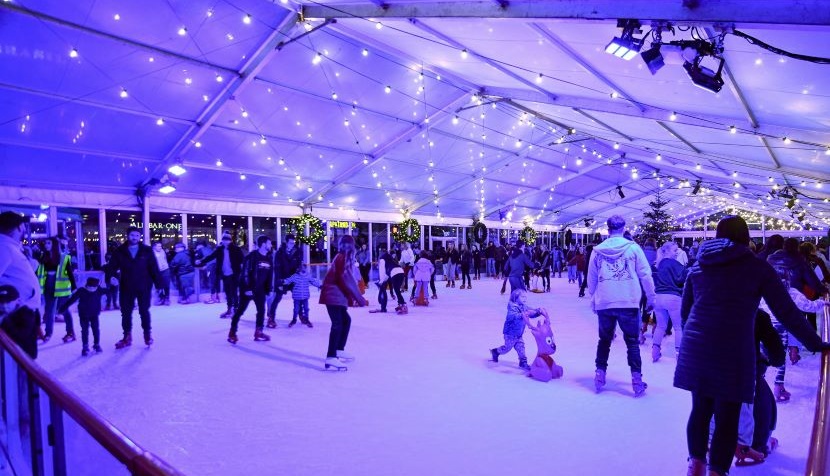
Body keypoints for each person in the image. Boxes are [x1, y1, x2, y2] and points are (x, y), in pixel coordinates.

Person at [674, 216, 829, 476]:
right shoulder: (756, 268)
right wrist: (815, 343)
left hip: (697, 347)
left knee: (700, 409)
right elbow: (787, 312)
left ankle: (696, 466)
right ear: (746, 238)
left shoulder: (699, 266)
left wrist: (694, 340)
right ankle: (715, 471)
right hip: (733, 351)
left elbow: (686, 312)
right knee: (727, 416)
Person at [586, 215, 656, 397]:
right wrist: (651, 296)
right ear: (623, 228)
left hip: (606, 301)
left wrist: (593, 296)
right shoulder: (633, 248)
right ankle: (637, 380)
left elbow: (591, 278)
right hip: (628, 300)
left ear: (608, 229)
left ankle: (599, 375)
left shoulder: (597, 251)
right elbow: (646, 274)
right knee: (632, 342)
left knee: (604, 340)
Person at [319, 235, 367, 370]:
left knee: (345, 321)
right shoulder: (342, 257)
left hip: (336, 296)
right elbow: (346, 278)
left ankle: (339, 349)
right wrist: (359, 297)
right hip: (332, 295)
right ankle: (331, 357)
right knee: (338, 324)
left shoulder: (343, 257)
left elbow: (348, 278)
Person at [108, 227, 161, 348]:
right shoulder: (120, 251)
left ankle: (147, 335)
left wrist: (159, 284)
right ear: (127, 235)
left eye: (137, 235)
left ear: (140, 237)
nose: (135, 238)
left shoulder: (146, 250)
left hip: (144, 286)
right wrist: (110, 276)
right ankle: (127, 336)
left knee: (144, 311)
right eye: (132, 235)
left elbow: (154, 268)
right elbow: (111, 267)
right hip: (126, 286)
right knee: (126, 313)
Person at [227, 235, 273, 344]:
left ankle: (259, 332)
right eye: (269, 243)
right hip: (248, 289)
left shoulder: (268, 258)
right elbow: (245, 274)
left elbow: (269, 275)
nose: (271, 245)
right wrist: (247, 288)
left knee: (261, 311)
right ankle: (232, 333)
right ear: (263, 244)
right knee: (240, 311)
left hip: (260, 290)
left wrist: (268, 289)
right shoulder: (251, 257)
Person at [36, 237, 77, 343]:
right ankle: (48, 333)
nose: (46, 245)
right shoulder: (42, 256)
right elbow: (38, 272)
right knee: (49, 311)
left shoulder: (64, 257)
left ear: (54, 245)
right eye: (45, 243)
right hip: (48, 287)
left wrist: (74, 287)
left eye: (49, 243)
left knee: (64, 310)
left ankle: (70, 332)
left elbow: (70, 273)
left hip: (62, 288)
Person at [651, 241, 687, 363]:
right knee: (678, 328)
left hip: (659, 298)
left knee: (660, 326)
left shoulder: (659, 264)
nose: (677, 253)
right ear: (667, 251)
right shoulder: (674, 264)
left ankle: (655, 352)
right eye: (674, 250)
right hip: (673, 298)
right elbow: (682, 278)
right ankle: (679, 355)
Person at [197, 233, 243, 319]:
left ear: (230, 240)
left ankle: (236, 310)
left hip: (234, 274)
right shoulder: (219, 249)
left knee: (234, 293)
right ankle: (229, 309)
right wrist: (201, 261)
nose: (226, 242)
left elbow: (242, 260)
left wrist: (243, 271)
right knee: (228, 293)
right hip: (225, 274)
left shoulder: (236, 249)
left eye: (228, 240)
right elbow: (211, 256)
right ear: (222, 240)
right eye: (224, 240)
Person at [489, 288, 536, 371]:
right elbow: (512, 316)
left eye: (525, 297)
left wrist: (538, 311)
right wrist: (522, 315)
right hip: (510, 333)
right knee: (507, 348)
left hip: (518, 333)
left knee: (521, 347)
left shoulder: (524, 306)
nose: (525, 299)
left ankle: (523, 362)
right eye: (522, 297)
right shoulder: (512, 307)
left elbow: (531, 312)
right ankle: (495, 352)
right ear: (515, 298)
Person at [58, 277, 106, 356]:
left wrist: (62, 308)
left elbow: (71, 300)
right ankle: (94, 345)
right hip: (90, 314)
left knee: (86, 330)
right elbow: (110, 291)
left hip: (86, 314)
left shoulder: (82, 290)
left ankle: (87, 347)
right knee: (93, 330)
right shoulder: (97, 290)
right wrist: (114, 285)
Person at [269, 234, 302, 328]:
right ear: (286, 242)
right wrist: (279, 281)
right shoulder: (280, 253)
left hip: (293, 279)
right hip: (282, 279)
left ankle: (301, 315)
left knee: (298, 297)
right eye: (290, 243)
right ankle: (271, 317)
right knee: (277, 298)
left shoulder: (297, 252)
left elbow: (299, 265)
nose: (292, 244)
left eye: (293, 242)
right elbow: (277, 268)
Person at [522, 307, 563, 382]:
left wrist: (545, 315)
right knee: (547, 374)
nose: (553, 345)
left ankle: (549, 370)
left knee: (556, 371)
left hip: (545, 357)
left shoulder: (548, 358)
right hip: (540, 359)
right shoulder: (539, 359)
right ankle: (534, 371)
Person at [0, 285, 39, 359]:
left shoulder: (27, 314)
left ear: (18, 301)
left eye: (9, 302)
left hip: (24, 357)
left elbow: (21, 335)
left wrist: (4, 320)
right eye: (1, 303)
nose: (4, 306)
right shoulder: (2, 312)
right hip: (6, 353)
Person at [282, 263, 322, 328]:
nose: (303, 269)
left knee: (306, 308)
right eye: (302, 267)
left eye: (304, 267)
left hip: (305, 296)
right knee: (296, 309)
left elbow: (313, 281)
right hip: (297, 297)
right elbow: (288, 280)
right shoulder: (295, 276)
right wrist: (282, 281)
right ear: (299, 268)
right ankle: (294, 319)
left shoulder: (308, 276)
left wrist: (320, 286)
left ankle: (307, 319)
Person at [370, 247, 406, 314]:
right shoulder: (390, 259)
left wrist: (381, 282)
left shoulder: (382, 259)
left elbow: (383, 271)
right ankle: (401, 304)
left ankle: (402, 305)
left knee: (395, 290)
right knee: (397, 290)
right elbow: (387, 273)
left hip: (394, 273)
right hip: (401, 272)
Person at [151, 241, 171, 306]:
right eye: (158, 246)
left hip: (165, 270)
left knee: (166, 284)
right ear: (154, 247)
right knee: (158, 286)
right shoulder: (151, 253)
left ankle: (167, 298)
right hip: (156, 271)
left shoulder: (162, 251)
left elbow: (165, 259)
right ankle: (161, 298)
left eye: (160, 246)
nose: (160, 247)